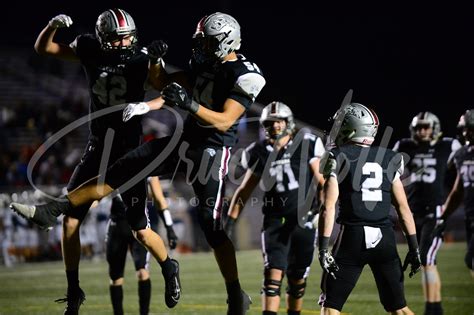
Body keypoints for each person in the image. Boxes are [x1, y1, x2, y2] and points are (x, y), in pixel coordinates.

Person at [11, 11, 266, 315]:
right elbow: (168, 84)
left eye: (207, 43)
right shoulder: (204, 61)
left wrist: (188, 103)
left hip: (211, 150)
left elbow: (225, 121)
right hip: (182, 139)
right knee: (121, 170)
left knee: (211, 227)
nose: (200, 48)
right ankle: (51, 210)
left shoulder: (247, 74)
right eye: (200, 42)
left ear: (225, 42)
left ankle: (235, 294)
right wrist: (159, 67)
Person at [12, 9, 180, 314]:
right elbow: (44, 48)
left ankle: (169, 267)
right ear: (103, 39)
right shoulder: (89, 48)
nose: (125, 42)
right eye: (118, 38)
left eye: (128, 36)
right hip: (98, 144)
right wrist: (51, 26)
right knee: (70, 222)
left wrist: (148, 90)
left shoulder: (140, 57)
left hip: (129, 149)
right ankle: (73, 290)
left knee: (140, 230)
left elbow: (162, 87)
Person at [317, 103, 421, 315]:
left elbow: (328, 207)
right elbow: (403, 209)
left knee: (330, 307)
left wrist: (323, 247)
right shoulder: (390, 157)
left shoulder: (337, 156)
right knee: (400, 309)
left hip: (352, 238)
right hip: (385, 239)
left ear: (351, 128)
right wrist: (414, 247)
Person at [224, 102, 324, 315]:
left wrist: (322, 208)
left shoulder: (306, 143)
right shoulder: (258, 151)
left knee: (297, 279)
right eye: (270, 122)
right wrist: (230, 223)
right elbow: (244, 191)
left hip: (303, 218)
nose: (275, 126)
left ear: (288, 123)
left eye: (278, 121)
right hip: (275, 221)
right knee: (273, 275)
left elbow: (322, 181)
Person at [392, 112, 461, 315]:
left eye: (426, 127)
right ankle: (434, 307)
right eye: (419, 127)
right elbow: (391, 169)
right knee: (425, 259)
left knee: (426, 258)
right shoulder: (405, 146)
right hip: (413, 212)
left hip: (434, 211)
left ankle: (433, 309)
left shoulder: (448, 145)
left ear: (434, 128)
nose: (422, 131)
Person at [107, 176, 178, 315]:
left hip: (139, 226)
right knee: (116, 278)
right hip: (117, 225)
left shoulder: (145, 161)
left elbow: (159, 197)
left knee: (142, 272)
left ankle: (144, 313)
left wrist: (169, 227)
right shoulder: (114, 162)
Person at [433, 109, 474, 277]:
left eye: (470, 128)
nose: (465, 133)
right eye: (464, 128)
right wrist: (443, 216)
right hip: (471, 218)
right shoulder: (462, 154)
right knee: (470, 261)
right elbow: (458, 191)